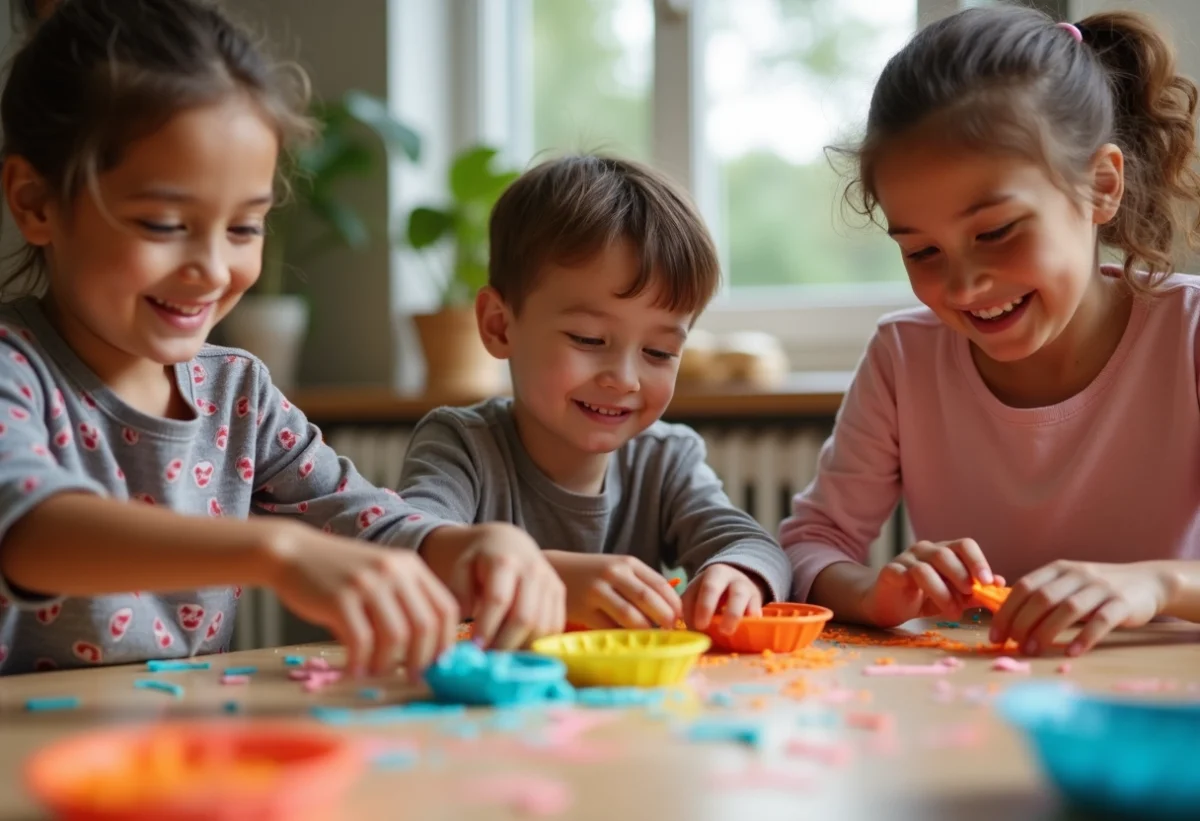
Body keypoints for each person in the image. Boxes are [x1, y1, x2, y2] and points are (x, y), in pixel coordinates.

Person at [0, 0, 561, 676]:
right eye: (162, 223)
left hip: (186, 758)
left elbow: (373, 525)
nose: (211, 267)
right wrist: (275, 552)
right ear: (35, 203)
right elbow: (27, 529)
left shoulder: (239, 391)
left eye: (243, 228)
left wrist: (481, 547)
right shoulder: (14, 369)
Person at [784, 6, 1200, 656]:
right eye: (922, 252)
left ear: (1101, 187)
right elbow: (811, 542)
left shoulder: (1188, 334)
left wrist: (1157, 584)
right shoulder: (904, 357)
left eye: (996, 231)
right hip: (971, 703)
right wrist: (873, 592)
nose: (963, 286)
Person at [380, 155, 793, 637]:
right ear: (499, 325)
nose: (624, 378)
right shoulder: (461, 445)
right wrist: (544, 574)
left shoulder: (666, 459)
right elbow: (408, 551)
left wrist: (738, 575)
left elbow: (755, 546)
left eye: (659, 352)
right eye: (589, 340)